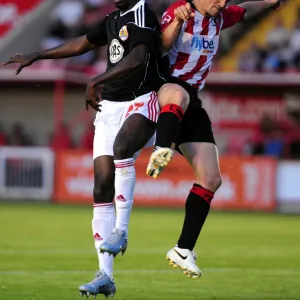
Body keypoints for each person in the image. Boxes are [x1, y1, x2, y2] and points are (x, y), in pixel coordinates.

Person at [3, 0, 168, 297]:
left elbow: (139, 59)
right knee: (101, 186)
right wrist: (36, 55)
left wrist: (96, 79)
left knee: (122, 147)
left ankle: (121, 231)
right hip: (110, 109)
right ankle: (105, 275)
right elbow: (83, 43)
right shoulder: (112, 19)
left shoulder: (143, 14)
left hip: (142, 101)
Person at [145, 0, 283, 279]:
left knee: (211, 179)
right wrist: (177, 23)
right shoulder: (179, 10)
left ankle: (183, 249)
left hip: (192, 102)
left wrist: (269, 2)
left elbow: (245, 9)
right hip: (165, 87)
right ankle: (161, 147)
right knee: (179, 95)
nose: (222, 3)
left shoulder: (219, 16)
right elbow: (161, 46)